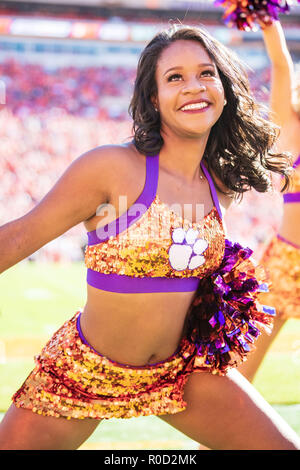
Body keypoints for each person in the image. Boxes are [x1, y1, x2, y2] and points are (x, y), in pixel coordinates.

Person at [0, 24, 299, 451]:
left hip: (181, 371)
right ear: (154, 97)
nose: (193, 87)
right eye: (174, 77)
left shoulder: (221, 183)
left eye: (206, 73)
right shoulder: (110, 168)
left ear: (224, 88)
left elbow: (279, 112)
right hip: (86, 370)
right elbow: (15, 239)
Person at [237, 20, 300, 382]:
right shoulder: (292, 132)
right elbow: (281, 64)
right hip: (286, 263)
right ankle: (215, 438)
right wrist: (267, 19)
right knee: (243, 368)